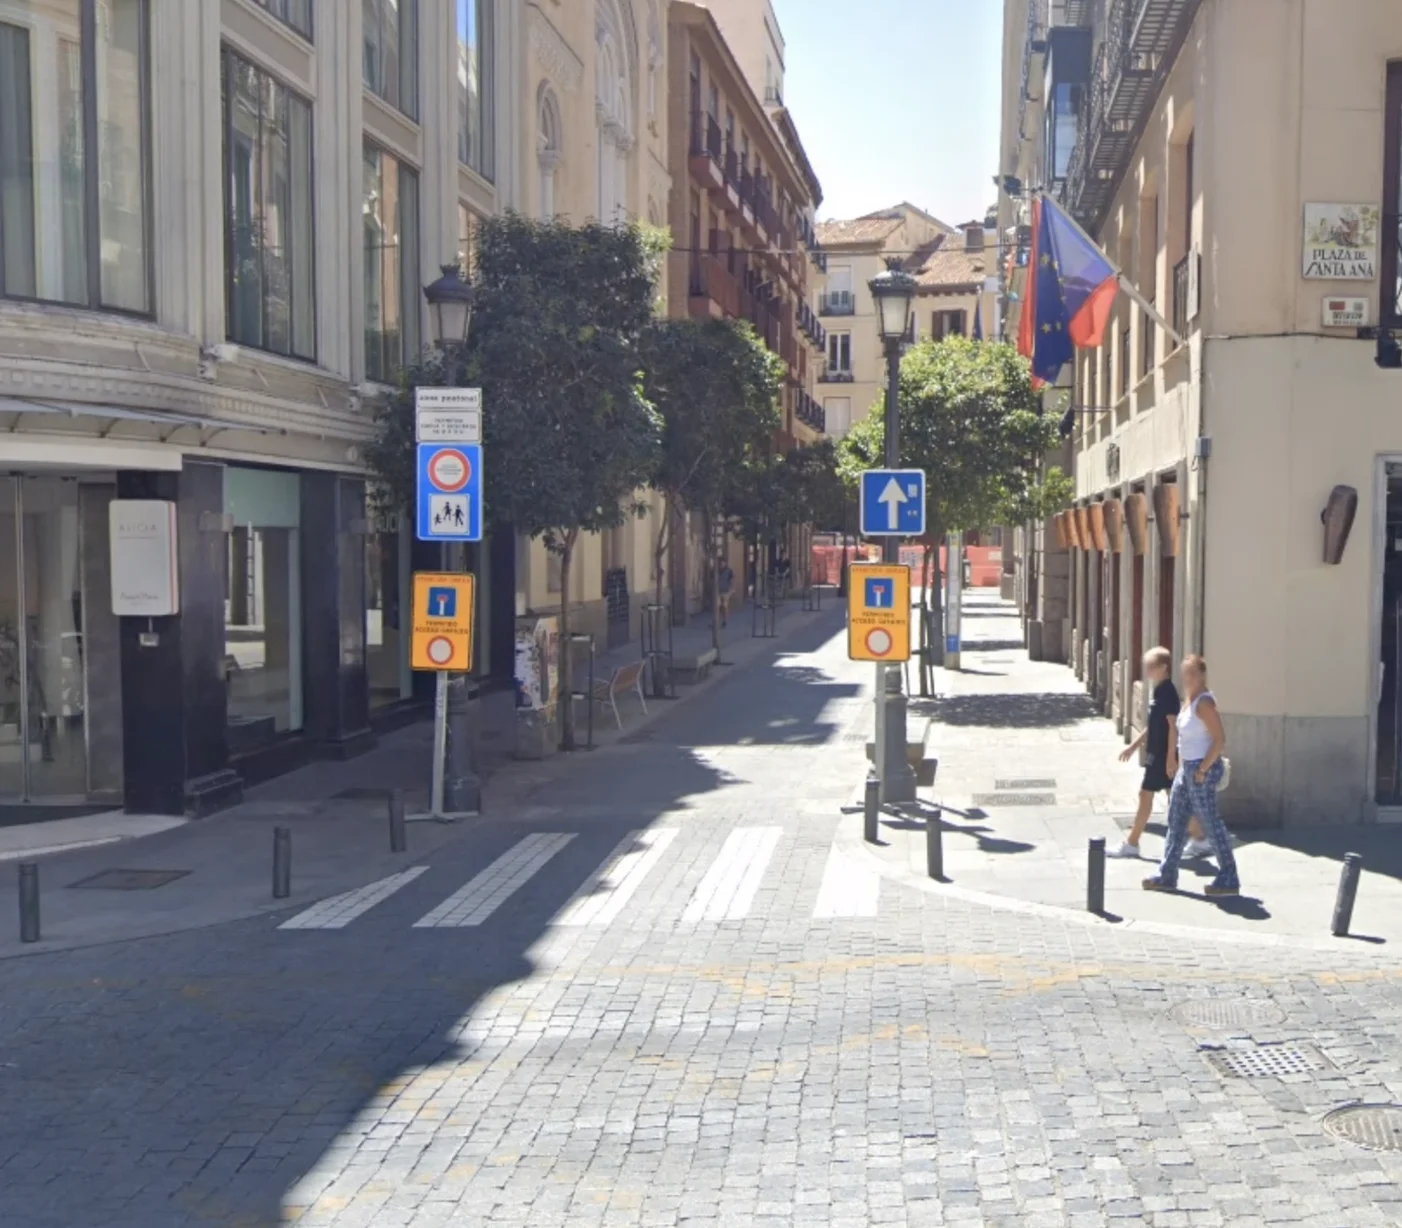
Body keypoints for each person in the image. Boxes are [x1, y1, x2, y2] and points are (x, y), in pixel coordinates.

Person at [1143, 654, 1240, 897]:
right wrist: (1175, 761)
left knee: (1210, 822)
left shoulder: (1205, 703)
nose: (1188, 678)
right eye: (1185, 673)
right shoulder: (1189, 700)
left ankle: (1229, 876)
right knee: (1175, 821)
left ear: (1203, 675)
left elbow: (1219, 740)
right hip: (1186, 769)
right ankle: (1167, 874)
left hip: (1200, 770)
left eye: (1193, 673)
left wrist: (1203, 769)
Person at [1109, 648, 1213, 859]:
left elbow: (1172, 726)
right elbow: (1154, 725)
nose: (1146, 670)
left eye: (1150, 667)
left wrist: (1170, 758)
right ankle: (1200, 839)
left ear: (1163, 668)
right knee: (1175, 798)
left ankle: (1132, 843)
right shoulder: (1158, 691)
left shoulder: (1167, 693)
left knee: (1147, 795)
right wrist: (1134, 746)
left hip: (1163, 757)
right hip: (1157, 755)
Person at [717, 563, 734, 627]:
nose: (721, 564)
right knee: (717, 607)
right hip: (717, 591)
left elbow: (732, 580)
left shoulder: (729, 571)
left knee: (724, 606)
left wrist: (732, 589)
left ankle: (725, 621)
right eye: (720, 563)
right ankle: (717, 622)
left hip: (726, 591)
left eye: (723, 563)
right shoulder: (716, 570)